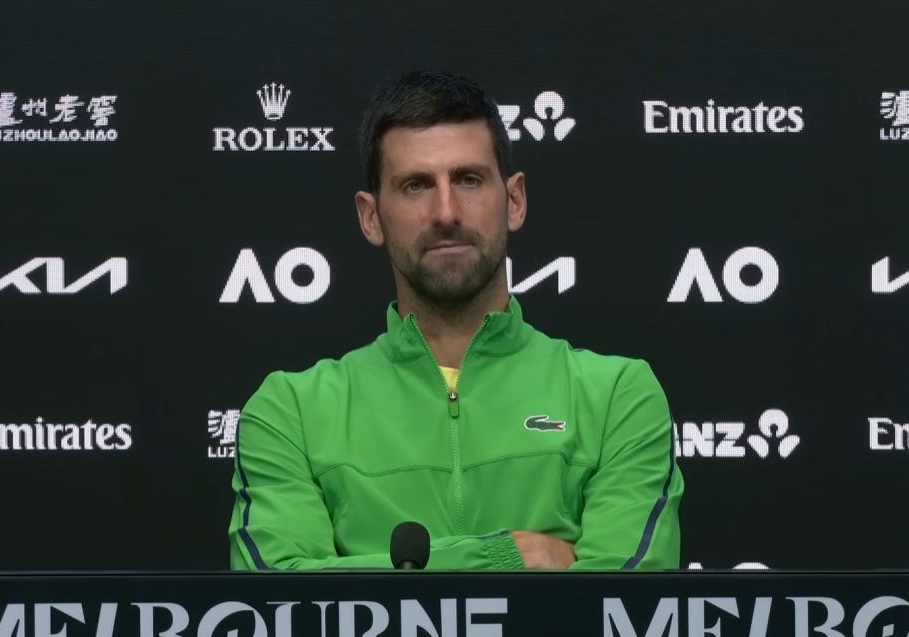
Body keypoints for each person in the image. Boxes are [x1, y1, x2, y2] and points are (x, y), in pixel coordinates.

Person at [229, 71, 682, 570]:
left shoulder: (618, 397)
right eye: (416, 186)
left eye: (469, 179)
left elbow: (626, 600)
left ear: (514, 200)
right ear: (371, 217)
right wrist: (508, 557)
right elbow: (280, 599)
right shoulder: (290, 412)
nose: (446, 212)